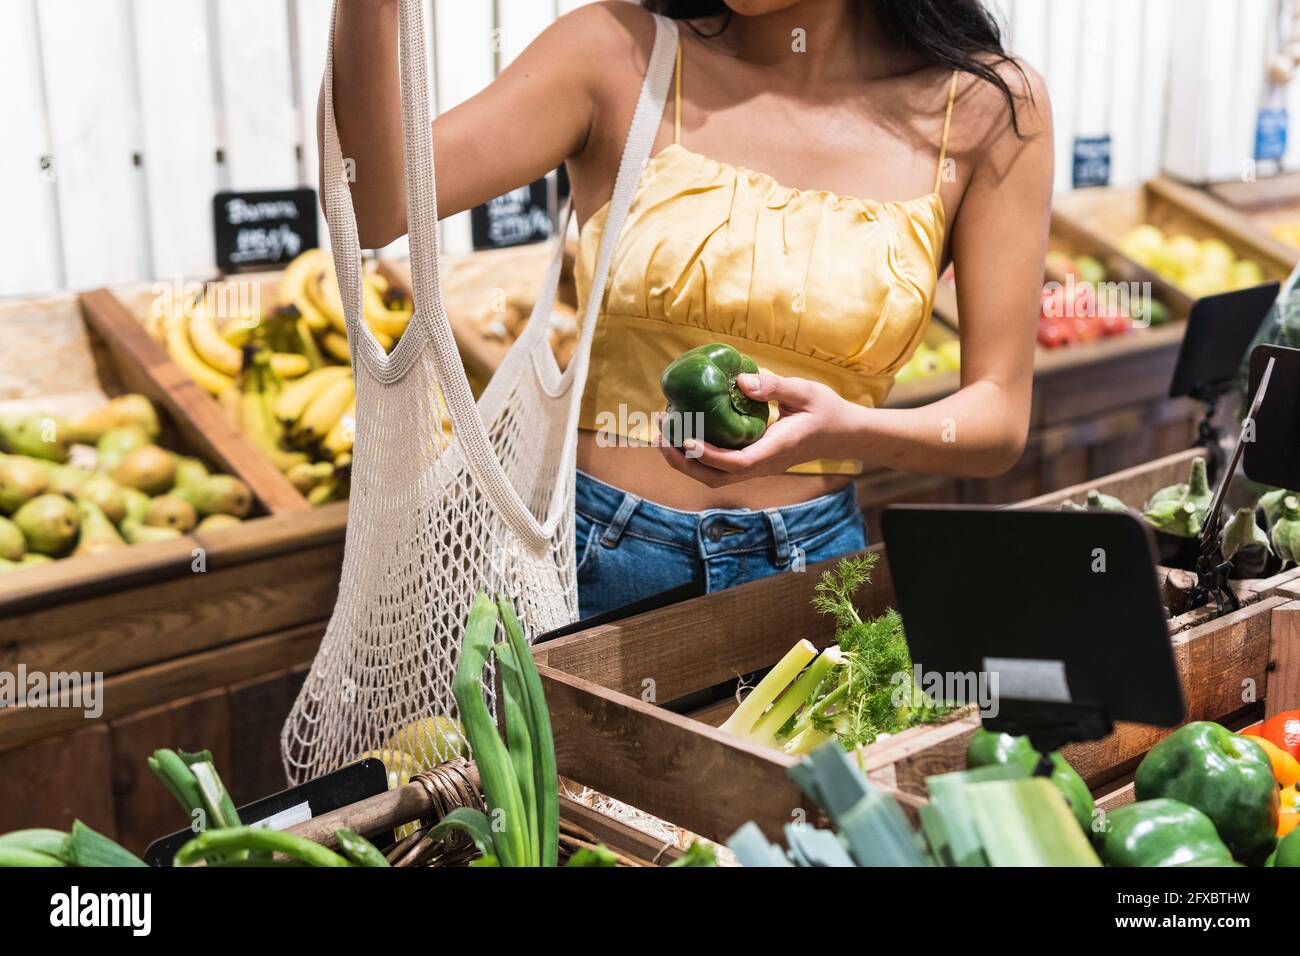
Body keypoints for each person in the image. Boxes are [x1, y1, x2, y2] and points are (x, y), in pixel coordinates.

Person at [328, 0, 1052, 619]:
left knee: (790, 790)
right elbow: (374, 205)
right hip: (594, 566)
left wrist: (851, 429)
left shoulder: (986, 108)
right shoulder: (617, 54)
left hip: (814, 574)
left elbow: (997, 418)